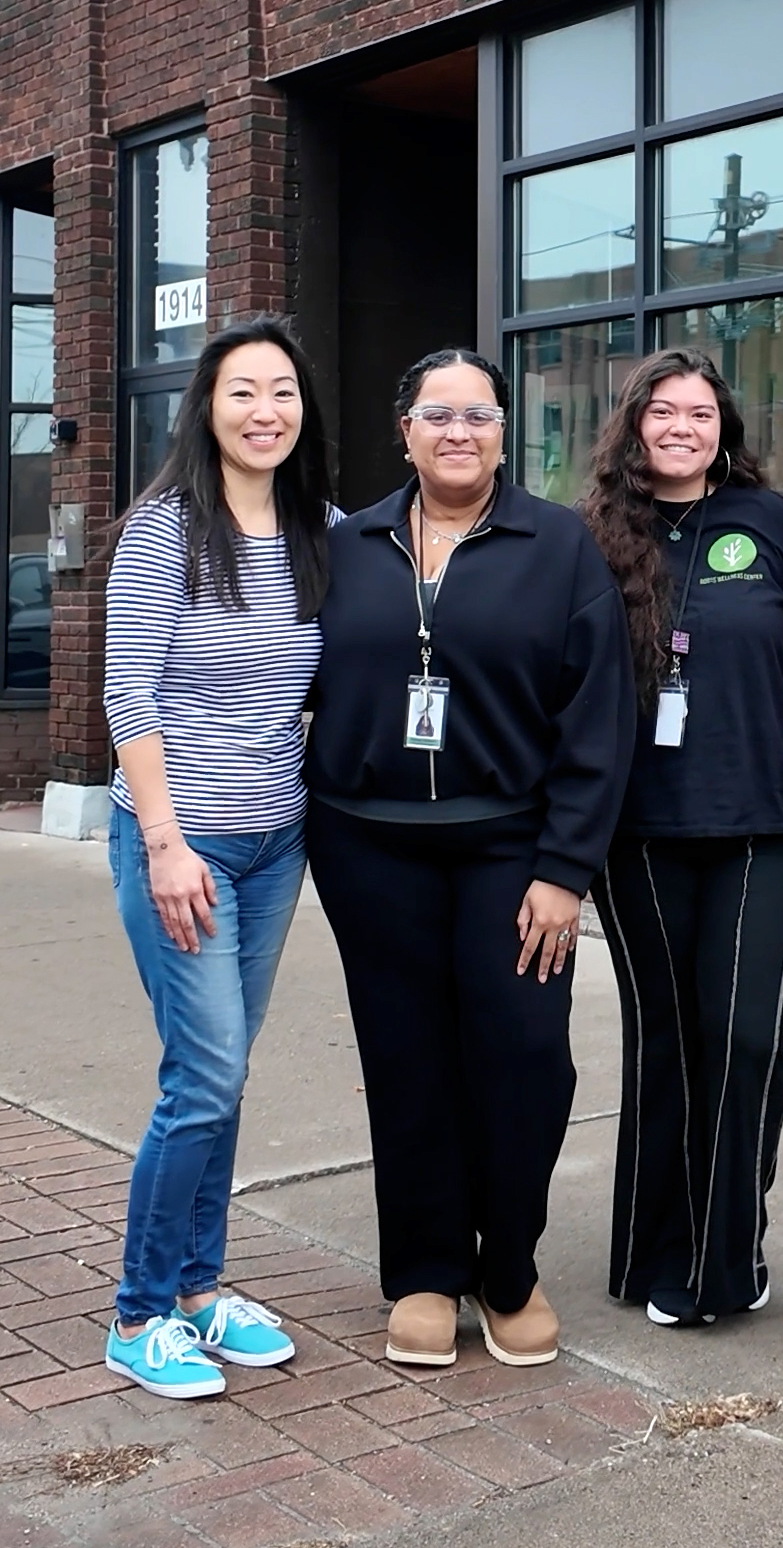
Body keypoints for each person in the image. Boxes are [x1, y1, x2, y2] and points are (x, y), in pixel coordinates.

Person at [303, 347, 636, 1371]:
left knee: (525, 1059)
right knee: (407, 1064)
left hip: (514, 850)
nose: (459, 433)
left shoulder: (559, 546)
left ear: (504, 432)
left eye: (479, 415)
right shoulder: (346, 543)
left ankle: (510, 1267)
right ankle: (424, 1272)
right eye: (437, 414)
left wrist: (565, 869)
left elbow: (598, 720)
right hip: (370, 849)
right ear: (402, 428)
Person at [96, 317, 337, 1400]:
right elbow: (126, 697)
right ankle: (139, 1310)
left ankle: (200, 1292)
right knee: (203, 1077)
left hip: (274, 841)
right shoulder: (163, 531)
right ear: (207, 407)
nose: (265, 412)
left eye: (282, 392)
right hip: (180, 842)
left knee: (225, 1077)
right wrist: (162, 843)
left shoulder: (317, 529)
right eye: (244, 392)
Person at [576, 349, 783, 1328]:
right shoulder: (589, 539)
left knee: (748, 1040)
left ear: (726, 427)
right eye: (661, 412)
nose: (680, 427)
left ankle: (728, 1254)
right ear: (631, 427)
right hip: (638, 834)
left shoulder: (777, 522)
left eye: (700, 412)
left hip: (763, 822)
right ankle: (653, 1251)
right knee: (666, 1041)